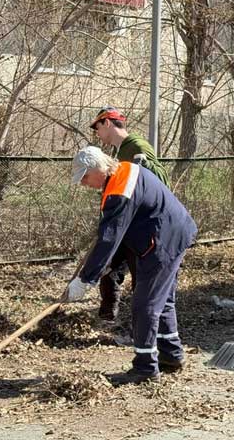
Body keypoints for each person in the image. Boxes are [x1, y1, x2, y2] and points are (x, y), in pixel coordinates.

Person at [65, 146, 197, 383]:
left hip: (163, 240)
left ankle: (146, 368)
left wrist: (86, 279)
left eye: (85, 176)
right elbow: (117, 232)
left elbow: (109, 237)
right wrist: (105, 266)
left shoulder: (119, 190)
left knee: (145, 304)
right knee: (162, 299)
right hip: (173, 231)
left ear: (100, 168)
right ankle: (172, 354)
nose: (84, 183)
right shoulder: (124, 171)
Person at [90, 106, 170, 325]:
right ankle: (107, 317)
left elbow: (161, 181)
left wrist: (147, 167)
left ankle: (144, 328)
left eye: (97, 127)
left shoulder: (137, 145)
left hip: (140, 226)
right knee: (109, 268)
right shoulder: (119, 152)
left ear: (107, 123)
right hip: (124, 224)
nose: (97, 133)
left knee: (141, 279)